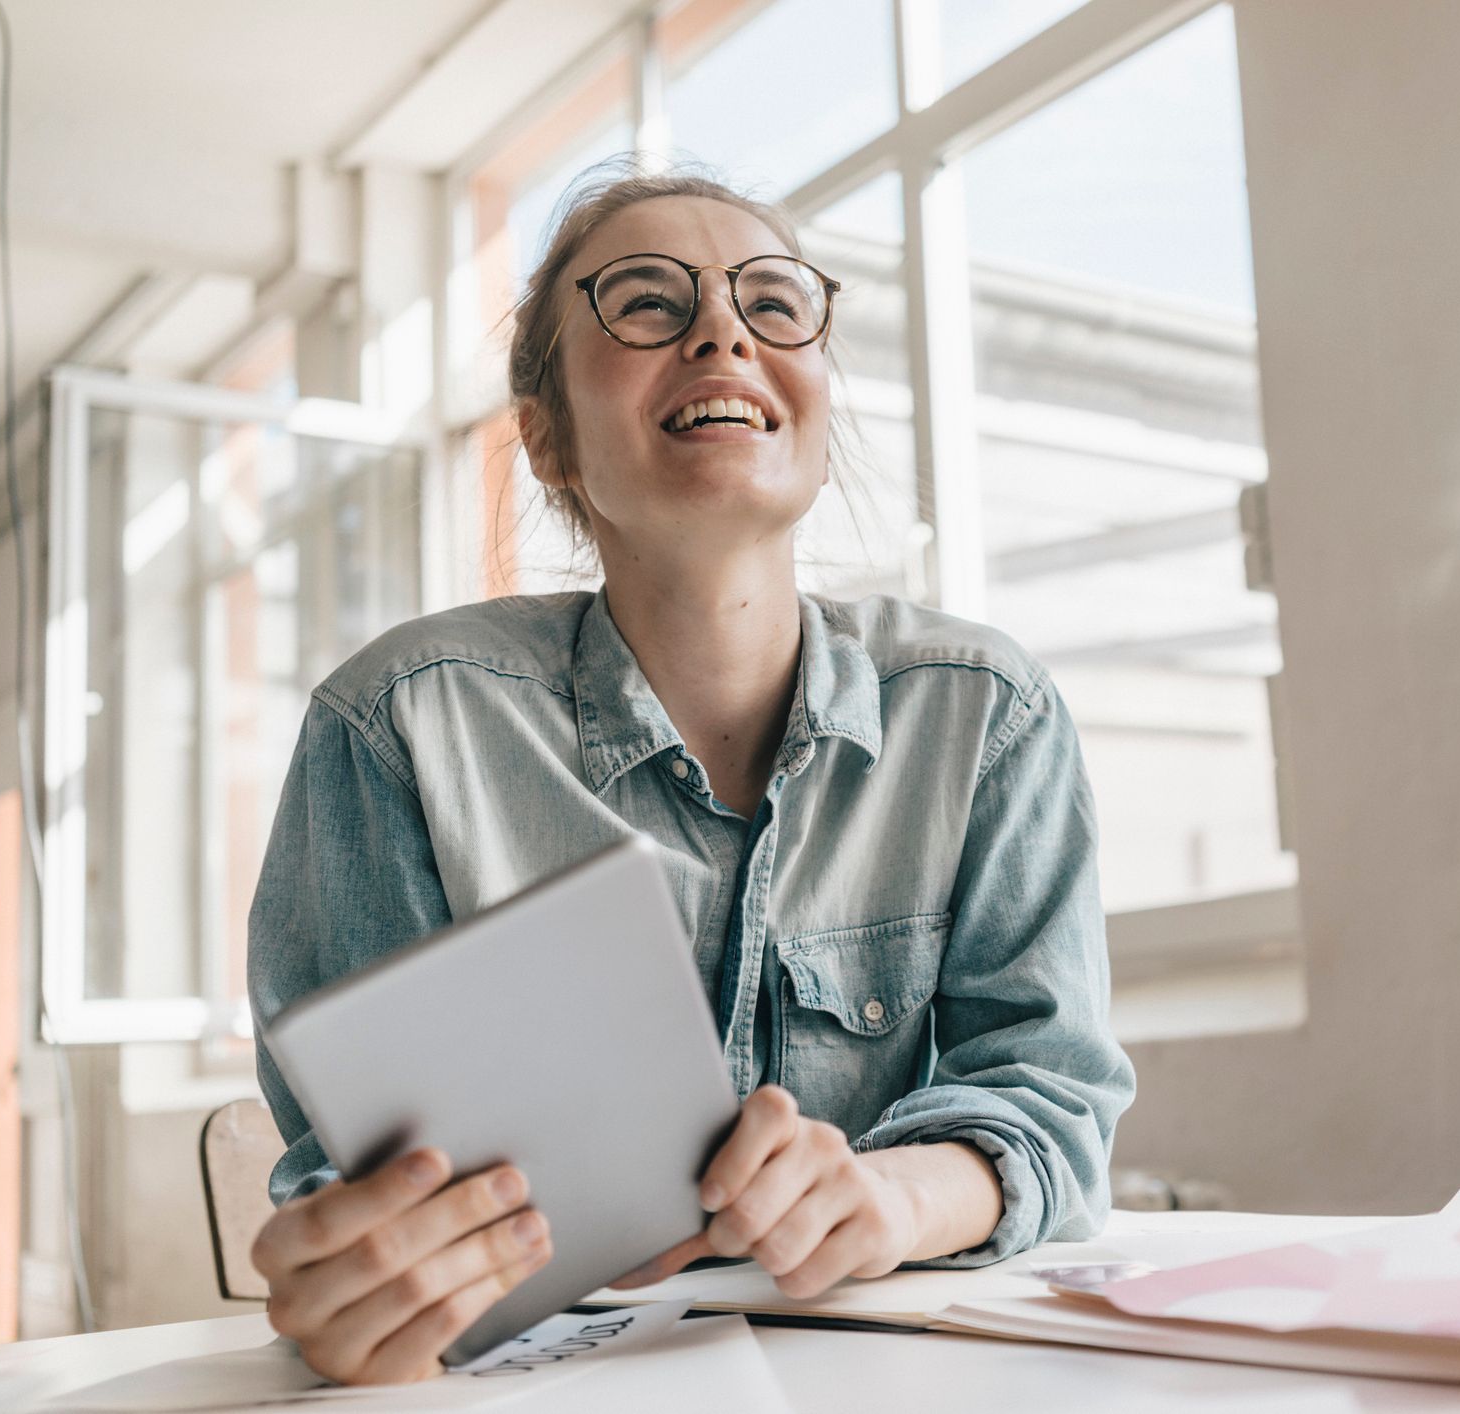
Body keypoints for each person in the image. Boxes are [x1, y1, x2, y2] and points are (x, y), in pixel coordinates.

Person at [244, 157, 1136, 1385]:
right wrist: (363, 1282)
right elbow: (352, 1187)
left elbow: (1048, 1099)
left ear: (816, 399)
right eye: (650, 305)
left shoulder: (984, 715)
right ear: (548, 438)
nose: (723, 329)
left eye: (772, 304)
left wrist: (886, 1199)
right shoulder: (400, 724)